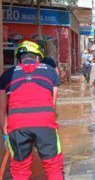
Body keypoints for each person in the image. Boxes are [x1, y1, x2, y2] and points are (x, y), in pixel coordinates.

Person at [0, 40, 64, 180]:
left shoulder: (6, 75)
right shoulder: (51, 72)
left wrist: (6, 132)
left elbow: (2, 108)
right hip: (44, 121)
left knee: (19, 169)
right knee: (53, 166)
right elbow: (52, 105)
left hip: (17, 123)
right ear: (37, 57)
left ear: (19, 59)